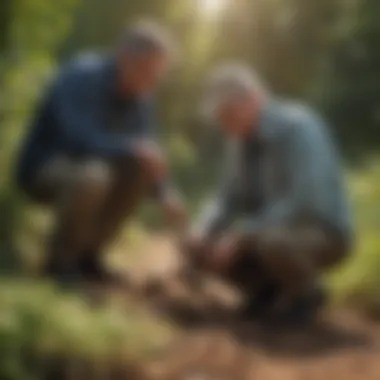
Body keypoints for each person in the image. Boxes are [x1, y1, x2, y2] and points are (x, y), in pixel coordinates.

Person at [15, 20, 186, 285]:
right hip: (46, 165)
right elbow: (78, 137)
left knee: (133, 171)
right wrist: (131, 148)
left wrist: (165, 193)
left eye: (159, 73)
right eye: (150, 70)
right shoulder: (82, 75)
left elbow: (146, 152)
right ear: (126, 58)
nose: (154, 80)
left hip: (95, 170)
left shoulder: (142, 100)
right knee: (94, 176)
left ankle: (89, 257)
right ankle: (58, 265)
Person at [185, 63, 353, 327]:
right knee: (202, 244)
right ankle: (265, 289)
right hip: (266, 230)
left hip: (320, 232)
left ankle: (307, 294)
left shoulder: (300, 128)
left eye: (228, 112)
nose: (223, 121)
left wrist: (243, 233)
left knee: (270, 241)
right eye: (219, 115)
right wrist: (203, 230)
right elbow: (227, 197)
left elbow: (305, 199)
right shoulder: (238, 140)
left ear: (253, 99)